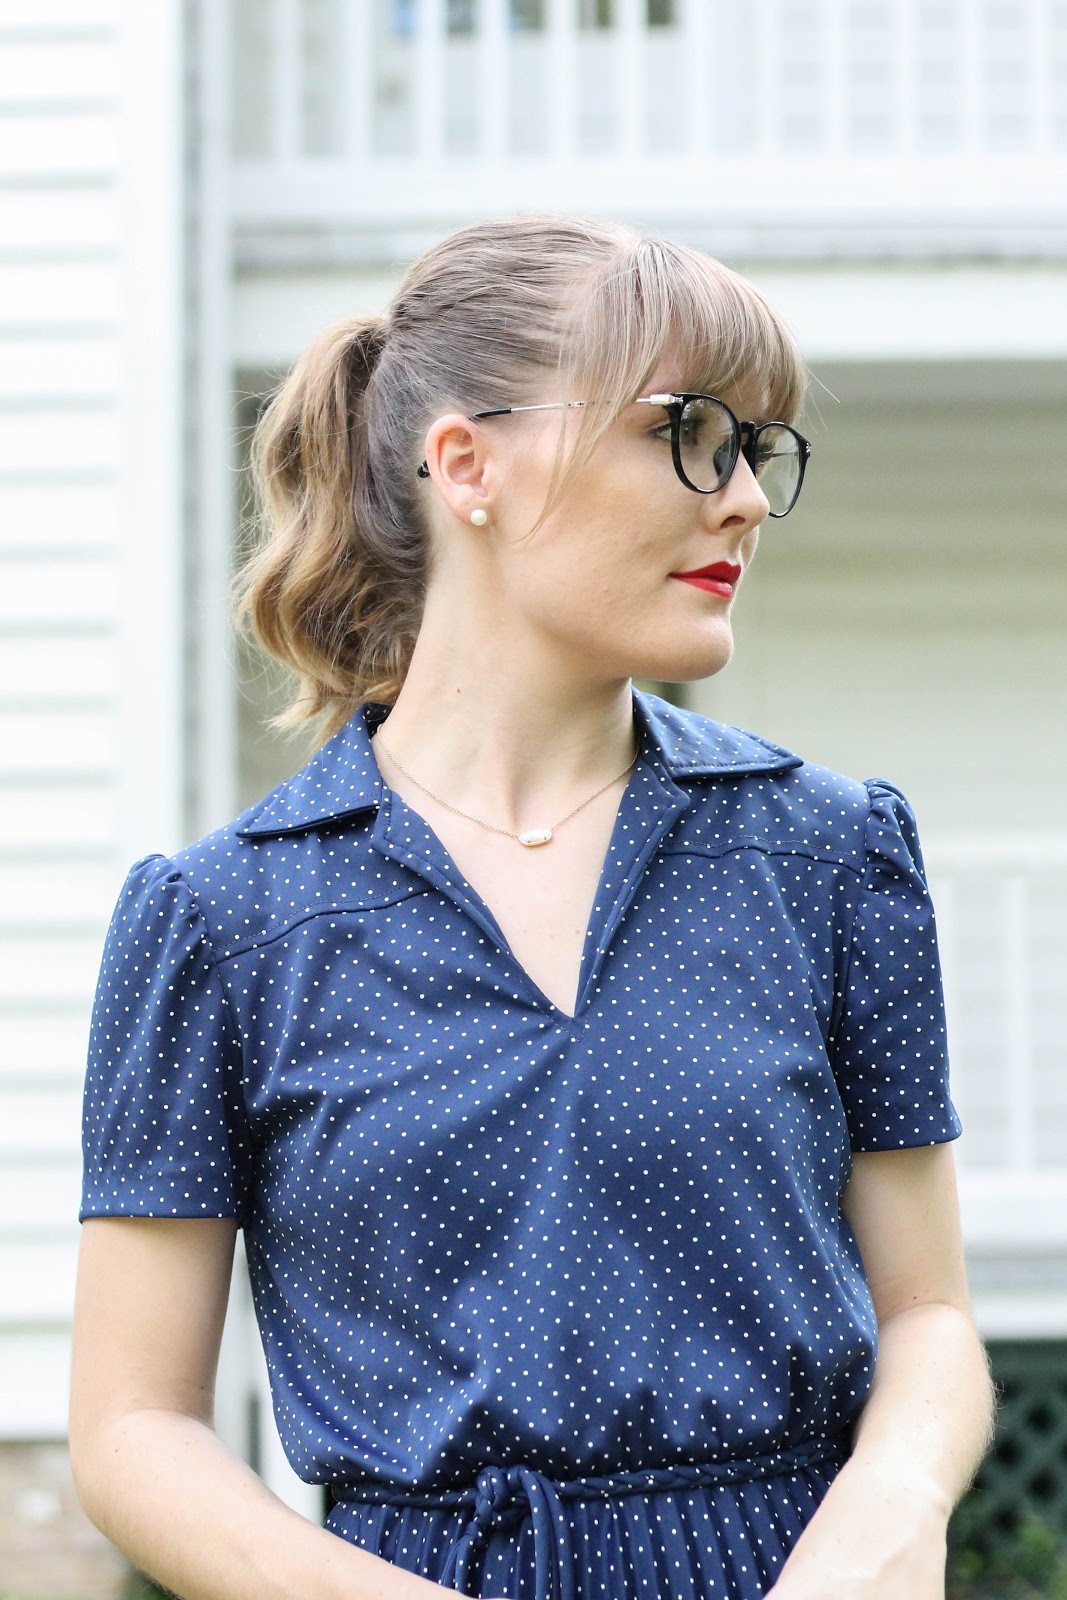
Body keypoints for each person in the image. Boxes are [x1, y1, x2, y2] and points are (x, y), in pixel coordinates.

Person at [69, 213, 996, 1600]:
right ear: (467, 465)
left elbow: (930, 1315)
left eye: (755, 448)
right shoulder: (225, 926)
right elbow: (131, 1427)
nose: (744, 497)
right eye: (687, 432)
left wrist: (900, 1500)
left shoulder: (830, 860)